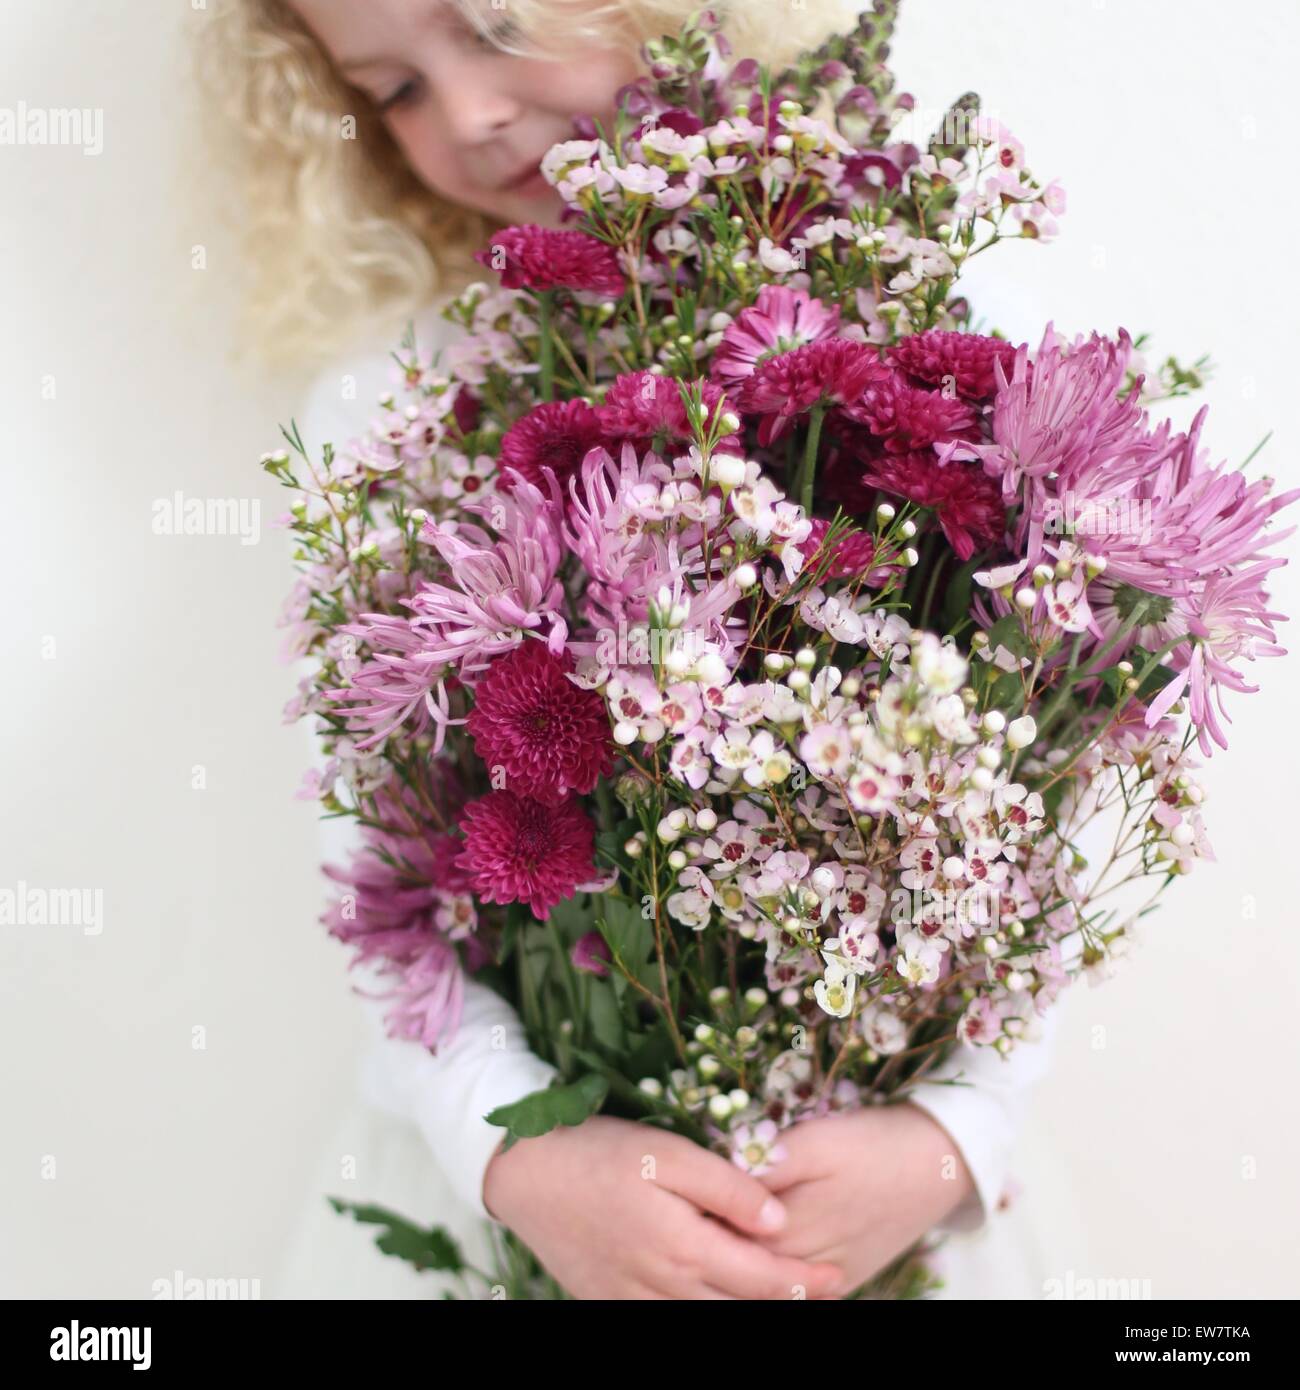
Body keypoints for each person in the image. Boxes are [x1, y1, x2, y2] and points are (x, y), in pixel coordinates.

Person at [202, 0, 1080, 1299]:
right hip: (514, 1191)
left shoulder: (939, 314)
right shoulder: (391, 401)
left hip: (879, 1193)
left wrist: (956, 1126)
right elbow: (375, 876)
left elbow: (1049, 794)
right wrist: (511, 1151)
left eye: (495, 25)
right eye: (390, 89)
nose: (464, 116)